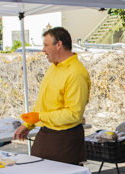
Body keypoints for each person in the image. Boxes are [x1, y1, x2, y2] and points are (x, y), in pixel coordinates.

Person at [13, 27, 91, 165]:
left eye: (45, 45)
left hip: (65, 140)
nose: (43, 50)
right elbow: (43, 103)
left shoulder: (76, 73)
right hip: (45, 134)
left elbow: (74, 114)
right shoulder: (53, 67)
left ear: (59, 45)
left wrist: (39, 117)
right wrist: (29, 124)